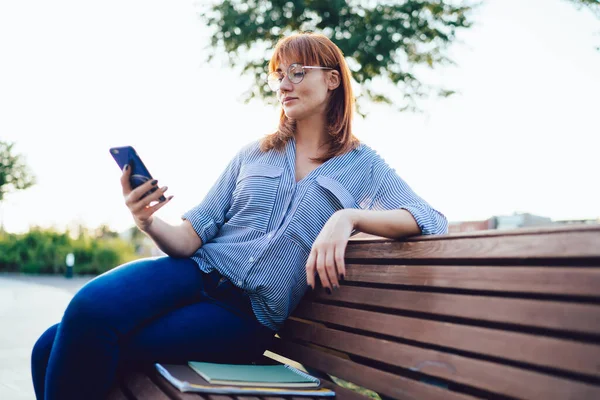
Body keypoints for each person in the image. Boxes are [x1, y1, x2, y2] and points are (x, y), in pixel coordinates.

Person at [31, 32, 448, 400]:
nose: (284, 83)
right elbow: (189, 238)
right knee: (67, 328)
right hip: (192, 272)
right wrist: (147, 220)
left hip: (243, 317)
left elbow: (430, 219)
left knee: (69, 345)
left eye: (297, 72)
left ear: (332, 80)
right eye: (278, 74)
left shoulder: (363, 165)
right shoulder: (255, 153)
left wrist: (347, 219)